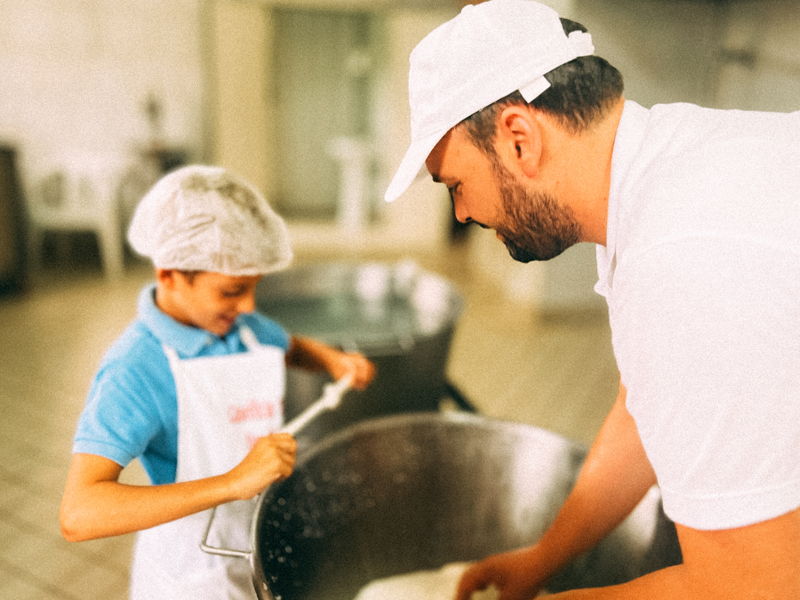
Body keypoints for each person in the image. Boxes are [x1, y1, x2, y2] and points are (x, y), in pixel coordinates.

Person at [384, 1, 800, 598]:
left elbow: (753, 588)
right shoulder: (664, 164)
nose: (463, 212)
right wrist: (542, 560)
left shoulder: (681, 259)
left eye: (455, 184)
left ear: (519, 140)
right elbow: (644, 409)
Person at [59, 165, 376, 599]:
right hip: (189, 576)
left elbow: (285, 346)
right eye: (231, 291)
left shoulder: (242, 329)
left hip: (254, 543)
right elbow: (80, 512)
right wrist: (233, 482)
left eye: (253, 287)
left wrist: (332, 360)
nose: (248, 306)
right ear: (169, 274)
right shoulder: (135, 368)